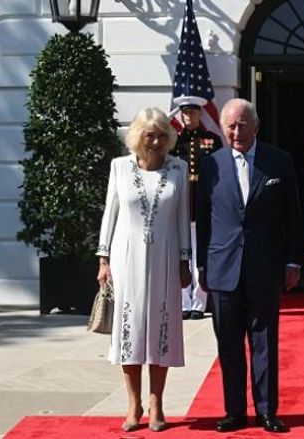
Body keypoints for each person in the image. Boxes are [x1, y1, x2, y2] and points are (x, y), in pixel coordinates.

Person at [195, 98, 302, 433]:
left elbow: (293, 216)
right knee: (228, 345)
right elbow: (203, 220)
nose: (236, 132)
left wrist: (293, 260)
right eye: (230, 126)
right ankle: (235, 411)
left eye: (243, 125)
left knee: (264, 343)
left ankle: (267, 411)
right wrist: (201, 267)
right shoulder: (210, 165)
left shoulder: (279, 162)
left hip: (265, 268)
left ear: (256, 126)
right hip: (222, 268)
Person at [96, 107, 193, 433]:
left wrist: (184, 260)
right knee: (131, 330)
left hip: (165, 257)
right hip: (126, 258)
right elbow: (110, 213)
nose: (155, 141)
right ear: (138, 136)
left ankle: (157, 403)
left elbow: (182, 217)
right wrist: (103, 259)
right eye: (150, 135)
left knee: (161, 329)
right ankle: (133, 403)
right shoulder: (119, 167)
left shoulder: (179, 168)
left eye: (162, 135)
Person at [169, 96, 223, 320]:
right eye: (184, 112)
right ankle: (183, 302)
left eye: (192, 112)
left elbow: (220, 173)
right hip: (181, 204)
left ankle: (199, 303)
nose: (188, 116)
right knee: (182, 255)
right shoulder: (174, 140)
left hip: (203, 204)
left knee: (201, 254)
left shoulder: (212, 140)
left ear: (200, 114)